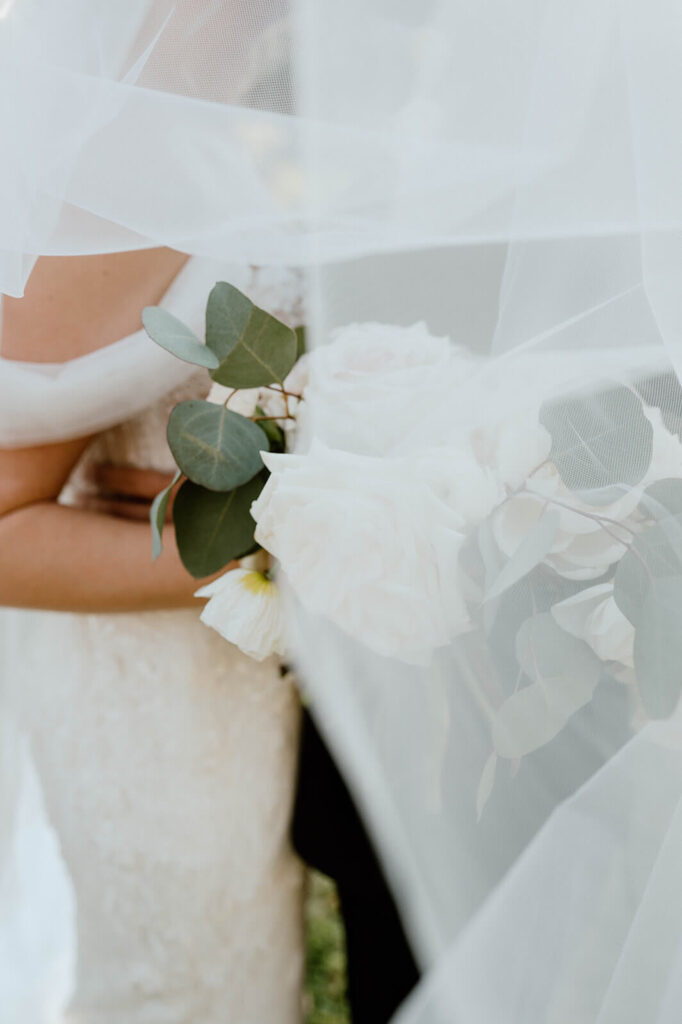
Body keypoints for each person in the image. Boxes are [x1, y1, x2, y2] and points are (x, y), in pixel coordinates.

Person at [0, 249, 305, 1022]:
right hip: (164, 699)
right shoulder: (114, 177)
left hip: (281, 681)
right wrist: (292, 544)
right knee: (190, 983)